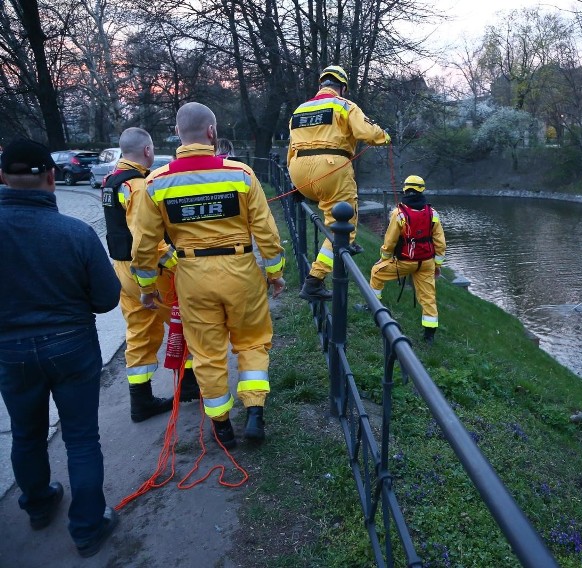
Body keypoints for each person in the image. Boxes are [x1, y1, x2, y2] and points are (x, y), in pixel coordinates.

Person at [130, 102, 285, 448]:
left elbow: (143, 244)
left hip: (192, 275)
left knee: (207, 352)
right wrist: (275, 273)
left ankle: (222, 426)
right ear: (212, 133)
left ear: (177, 133)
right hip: (241, 271)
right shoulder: (241, 175)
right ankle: (255, 412)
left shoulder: (156, 182)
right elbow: (266, 230)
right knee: (252, 341)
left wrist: (146, 286)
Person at [0, 139, 120, 557]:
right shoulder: (76, 233)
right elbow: (107, 299)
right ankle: (88, 527)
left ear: (1, 177)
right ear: (52, 178)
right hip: (71, 346)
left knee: (26, 433)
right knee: (82, 438)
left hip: (10, 352)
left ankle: (37, 504)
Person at [102, 127, 200, 423]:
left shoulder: (110, 182)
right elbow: (148, 239)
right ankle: (190, 385)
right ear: (147, 151)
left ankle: (141, 401)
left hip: (122, 271)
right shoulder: (138, 186)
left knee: (139, 331)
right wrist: (180, 264)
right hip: (149, 273)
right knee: (186, 320)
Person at [287, 64, 391, 301]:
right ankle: (315, 279)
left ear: (321, 85)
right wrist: (384, 136)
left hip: (299, 171)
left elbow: (291, 148)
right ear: (342, 87)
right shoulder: (344, 105)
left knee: (326, 205)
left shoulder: (299, 110)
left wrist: (297, 184)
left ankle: (344, 245)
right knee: (346, 224)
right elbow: (366, 132)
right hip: (332, 167)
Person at [370, 175, 447, 344]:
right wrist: (437, 265)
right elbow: (440, 243)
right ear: (422, 190)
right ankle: (429, 335)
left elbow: (389, 242)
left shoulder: (398, 213)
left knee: (376, 273)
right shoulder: (433, 213)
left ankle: (373, 307)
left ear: (405, 189)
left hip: (404, 262)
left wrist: (384, 259)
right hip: (426, 263)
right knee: (428, 297)